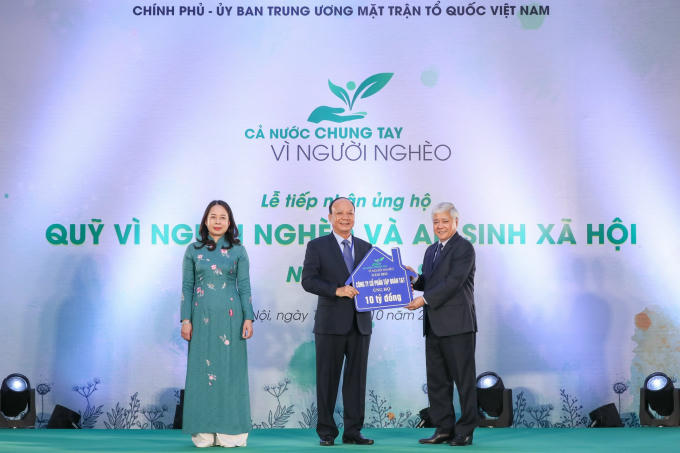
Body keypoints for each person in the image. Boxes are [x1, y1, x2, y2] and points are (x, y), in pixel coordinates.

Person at [180, 200, 255, 448]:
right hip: (200, 321)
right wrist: (185, 319)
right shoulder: (193, 250)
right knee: (202, 373)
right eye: (213, 216)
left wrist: (248, 317)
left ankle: (230, 433)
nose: (218, 221)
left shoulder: (238, 251)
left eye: (223, 217)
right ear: (205, 221)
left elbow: (244, 286)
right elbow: (187, 287)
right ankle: (204, 432)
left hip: (232, 320)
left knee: (231, 372)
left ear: (229, 222)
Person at [301, 197, 374, 446]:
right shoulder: (317, 246)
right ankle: (326, 432)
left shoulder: (366, 247)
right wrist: (336, 290)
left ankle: (353, 432)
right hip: (330, 324)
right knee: (327, 380)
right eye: (339, 213)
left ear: (355, 216)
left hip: (360, 324)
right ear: (330, 217)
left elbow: (375, 280)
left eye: (350, 213)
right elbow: (308, 280)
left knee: (356, 381)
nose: (345, 217)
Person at [405, 202, 478, 447]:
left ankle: (465, 430)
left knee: (464, 382)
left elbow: (453, 282)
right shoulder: (431, 250)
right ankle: (444, 428)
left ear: (456, 222)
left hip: (458, 326)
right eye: (436, 222)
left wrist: (423, 300)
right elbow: (432, 282)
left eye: (445, 221)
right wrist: (415, 278)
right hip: (434, 325)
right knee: (437, 381)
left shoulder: (464, 248)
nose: (440, 226)